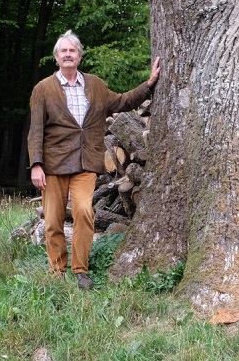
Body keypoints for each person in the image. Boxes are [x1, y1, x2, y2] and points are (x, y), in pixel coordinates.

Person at [28, 30, 160, 290]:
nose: (68, 54)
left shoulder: (96, 85)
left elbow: (122, 101)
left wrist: (149, 84)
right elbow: (35, 131)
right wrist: (36, 164)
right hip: (53, 165)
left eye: (72, 50)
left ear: (79, 56)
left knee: (84, 212)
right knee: (53, 220)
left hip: (86, 164)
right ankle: (57, 269)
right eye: (63, 51)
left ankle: (80, 270)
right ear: (56, 57)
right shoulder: (43, 89)